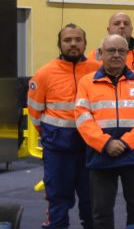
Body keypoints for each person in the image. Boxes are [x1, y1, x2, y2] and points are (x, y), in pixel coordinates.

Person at [74, 34, 134, 229]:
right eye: (111, 50)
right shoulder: (87, 82)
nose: (116, 55)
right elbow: (82, 118)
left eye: (121, 51)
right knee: (101, 212)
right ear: (101, 53)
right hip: (101, 155)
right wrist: (105, 143)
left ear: (127, 54)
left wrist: (127, 142)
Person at [27, 24, 100, 229]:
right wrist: (52, 135)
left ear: (85, 43)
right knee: (57, 200)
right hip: (58, 150)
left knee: (93, 202)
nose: (73, 44)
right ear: (59, 44)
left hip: (91, 148)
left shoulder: (97, 71)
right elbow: (34, 112)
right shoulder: (44, 74)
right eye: (67, 40)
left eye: (78, 39)